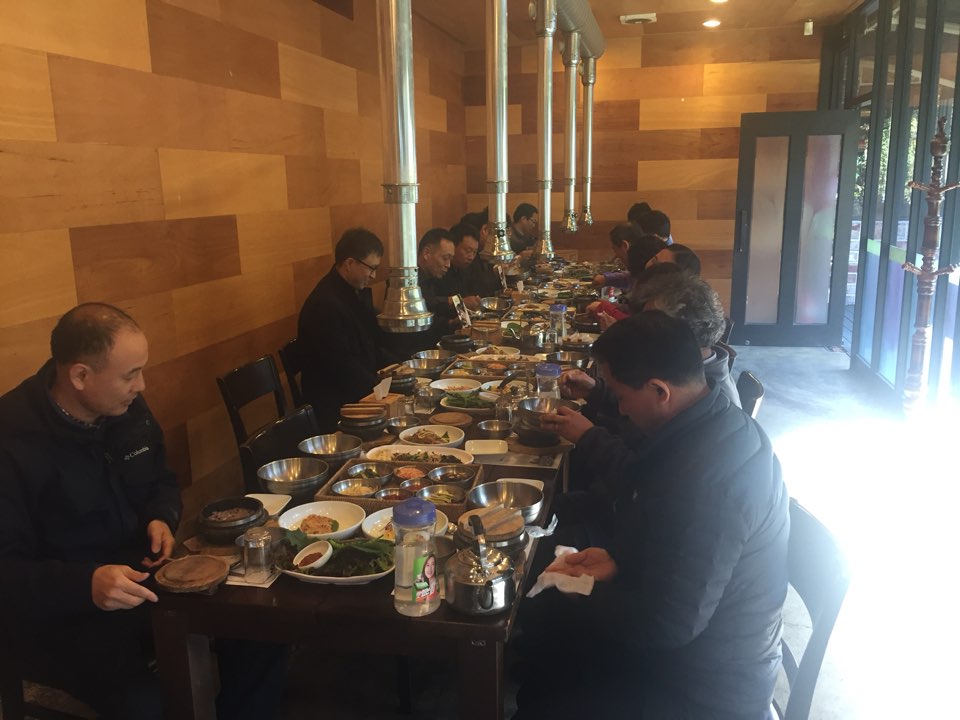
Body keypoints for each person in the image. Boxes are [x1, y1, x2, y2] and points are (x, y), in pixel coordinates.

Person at [0, 304, 285, 719]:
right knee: (150, 704)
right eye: (130, 374)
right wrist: (86, 583)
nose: (142, 385)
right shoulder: (13, 439)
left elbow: (162, 480)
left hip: (146, 577)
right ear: (80, 376)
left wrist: (161, 516)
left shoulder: (124, 406)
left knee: (261, 626)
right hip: (63, 615)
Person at [516, 312, 789, 720]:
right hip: (691, 642)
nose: (620, 409)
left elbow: (668, 626)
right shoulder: (706, 420)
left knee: (546, 674)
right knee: (544, 636)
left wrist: (584, 589)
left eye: (621, 395)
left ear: (660, 391)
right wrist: (619, 562)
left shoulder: (707, 478)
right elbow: (662, 526)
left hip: (701, 690)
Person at [298, 228, 394, 432]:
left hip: (355, 388)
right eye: (371, 268)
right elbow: (343, 366)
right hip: (336, 406)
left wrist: (399, 370)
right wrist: (381, 392)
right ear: (350, 263)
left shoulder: (351, 292)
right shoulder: (325, 304)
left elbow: (370, 345)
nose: (374, 275)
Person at [442, 222, 501, 307]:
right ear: (453, 246)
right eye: (468, 251)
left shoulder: (468, 267)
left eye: (474, 252)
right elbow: (435, 302)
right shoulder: (441, 269)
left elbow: (479, 289)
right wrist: (459, 301)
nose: (471, 257)